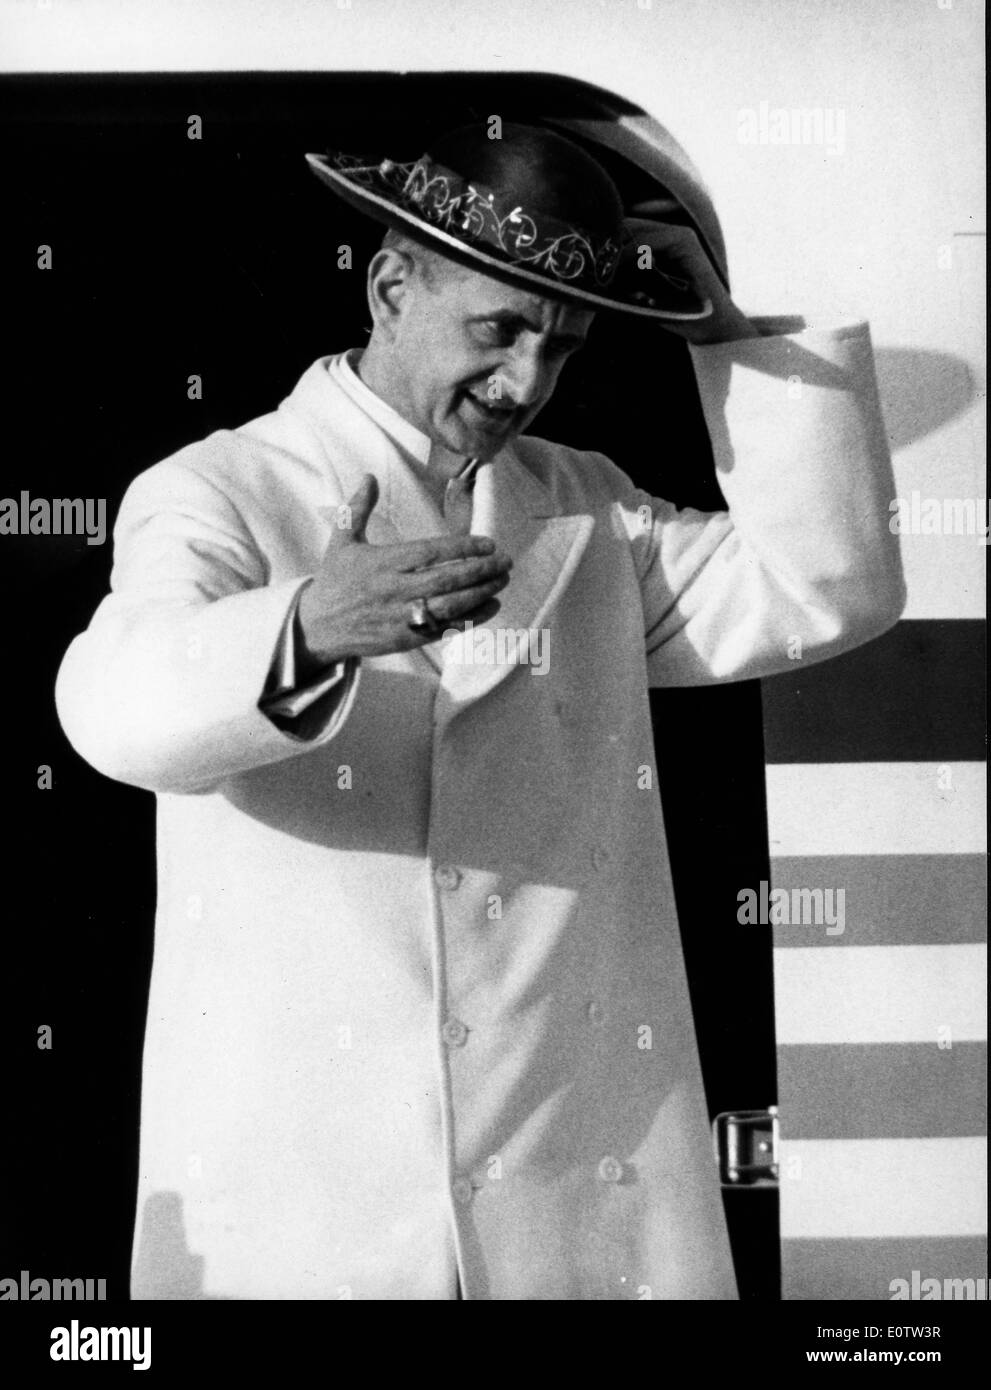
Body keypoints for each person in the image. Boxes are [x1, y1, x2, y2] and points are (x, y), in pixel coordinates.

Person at [55, 122, 905, 1300]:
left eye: (560, 346)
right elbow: (112, 713)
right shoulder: (223, 489)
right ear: (390, 288)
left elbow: (824, 588)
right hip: (311, 1211)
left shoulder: (585, 504)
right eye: (497, 331)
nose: (524, 384)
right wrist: (303, 628)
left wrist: (730, 342)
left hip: (568, 1210)